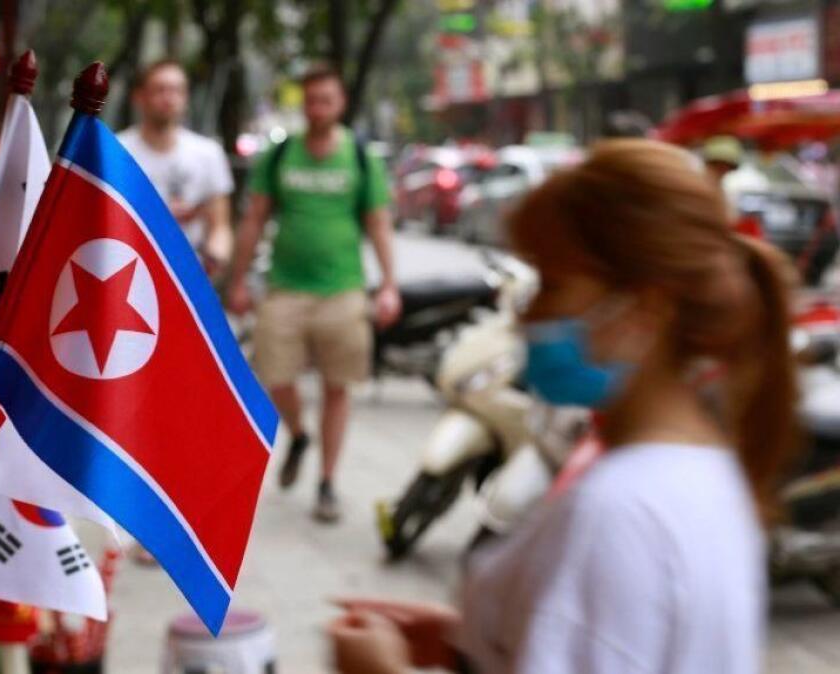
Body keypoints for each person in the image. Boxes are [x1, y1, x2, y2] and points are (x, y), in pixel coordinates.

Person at [329, 139, 798, 673]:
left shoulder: (619, 514)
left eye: (552, 285)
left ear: (644, 309)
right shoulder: (700, 469)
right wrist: (459, 637)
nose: (530, 315)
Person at [227, 64, 401, 523]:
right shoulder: (281, 155)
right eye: (311, 99)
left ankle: (326, 482)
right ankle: (299, 434)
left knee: (337, 386)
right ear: (303, 104)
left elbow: (379, 224)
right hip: (285, 287)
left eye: (327, 98)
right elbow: (254, 219)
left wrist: (388, 284)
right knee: (272, 374)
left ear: (340, 103)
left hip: (343, 288)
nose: (318, 107)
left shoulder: (361, 157)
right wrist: (239, 280)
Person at [118, 59, 234, 277]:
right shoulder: (116, 152)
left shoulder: (209, 153)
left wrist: (216, 257)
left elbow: (220, 224)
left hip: (189, 277)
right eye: (160, 89)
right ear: (139, 97)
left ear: (186, 97)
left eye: (176, 90)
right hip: (129, 272)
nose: (168, 98)